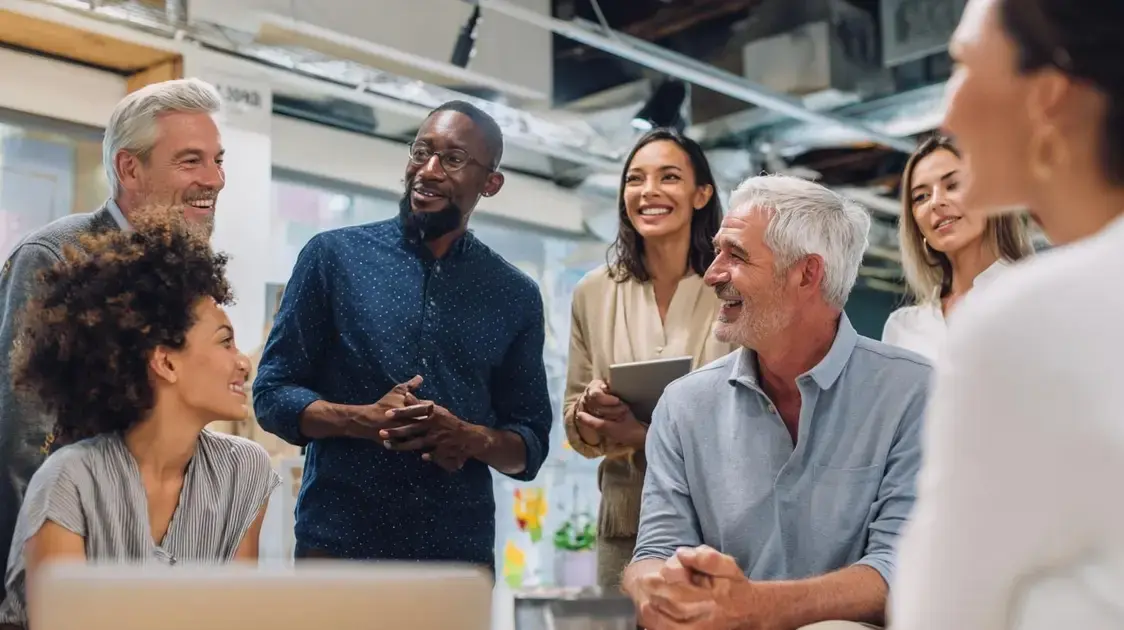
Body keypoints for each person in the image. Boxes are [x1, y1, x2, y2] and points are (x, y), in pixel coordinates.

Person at [891, 0, 1124, 628]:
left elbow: (940, 614)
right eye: (919, 194)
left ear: (1045, 96)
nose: (948, 110)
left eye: (964, 65)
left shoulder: (1021, 317)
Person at [622, 175, 931, 630]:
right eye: (718, 251)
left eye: (737, 255)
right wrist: (656, 586)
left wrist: (756, 607)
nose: (712, 274)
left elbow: (901, 570)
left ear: (807, 273)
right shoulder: (684, 405)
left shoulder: (913, 393)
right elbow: (655, 551)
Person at [254, 101, 553, 567]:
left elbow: (529, 446)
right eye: (420, 151)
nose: (428, 170)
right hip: (336, 548)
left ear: (490, 183)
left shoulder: (514, 295)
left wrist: (467, 437)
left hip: (455, 562)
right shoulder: (332, 258)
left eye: (452, 159)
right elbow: (272, 396)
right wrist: (362, 420)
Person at [0, 77, 224, 602]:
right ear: (129, 167)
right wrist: (35, 588)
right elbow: (21, 442)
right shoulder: (57, 256)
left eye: (218, 160)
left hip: (149, 564)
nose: (214, 180)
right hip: (72, 564)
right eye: (191, 161)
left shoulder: (191, 271)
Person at [0, 221, 278, 630]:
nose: (244, 361)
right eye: (225, 341)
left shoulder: (244, 471)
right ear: (165, 362)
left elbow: (234, 618)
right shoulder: (69, 481)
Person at [562, 128, 734, 589]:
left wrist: (642, 435)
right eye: (635, 179)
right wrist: (590, 412)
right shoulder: (593, 291)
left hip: (718, 522)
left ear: (702, 194)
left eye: (669, 177)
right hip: (625, 521)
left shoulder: (732, 288)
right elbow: (573, 425)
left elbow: (756, 423)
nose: (649, 192)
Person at [881, 135, 1033, 360]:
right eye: (921, 197)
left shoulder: (1034, 294)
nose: (936, 202)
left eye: (953, 185)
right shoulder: (902, 327)